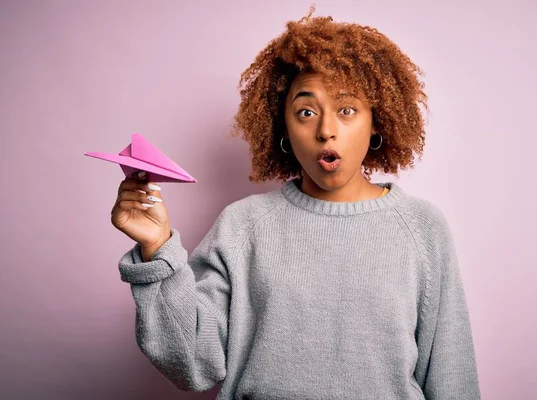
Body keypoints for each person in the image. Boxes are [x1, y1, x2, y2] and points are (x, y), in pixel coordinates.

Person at [111, 6, 481, 400]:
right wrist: (156, 250)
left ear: (377, 122)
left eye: (347, 110)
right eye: (306, 111)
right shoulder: (243, 226)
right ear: (283, 127)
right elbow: (194, 364)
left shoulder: (422, 228)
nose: (326, 130)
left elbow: (451, 375)